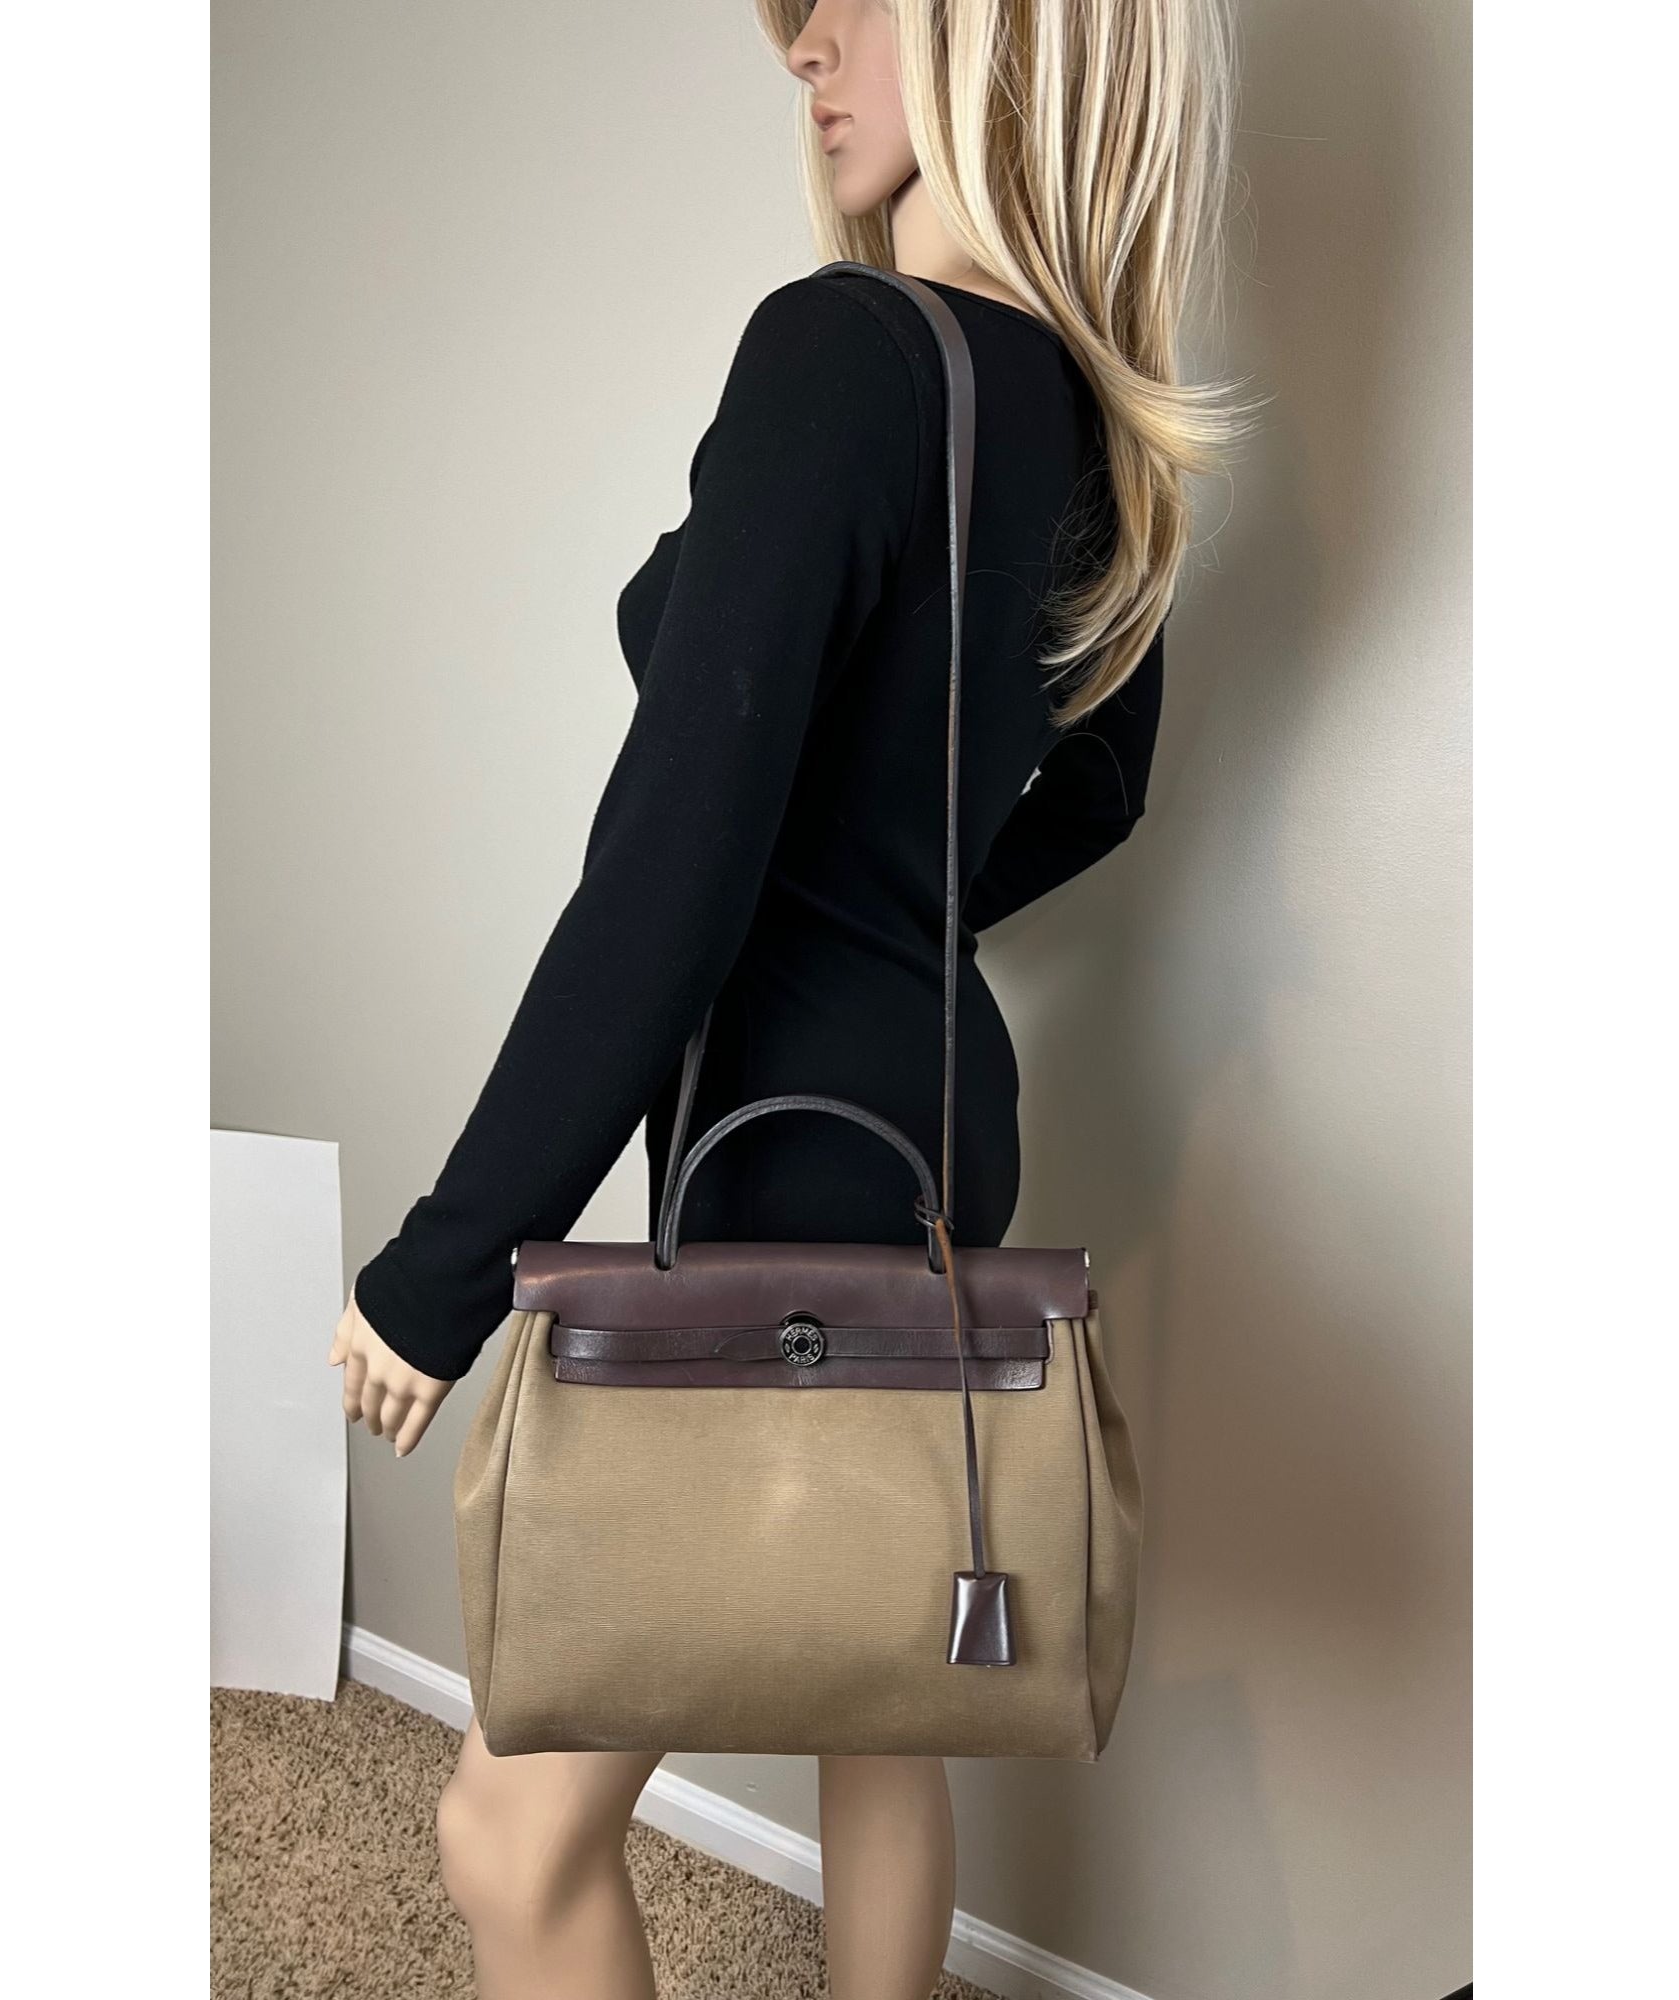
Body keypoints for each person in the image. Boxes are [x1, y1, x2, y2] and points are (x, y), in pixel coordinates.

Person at [327, 1, 1249, 1993]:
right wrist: (899, 919)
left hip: (782, 1139)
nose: (804, 50)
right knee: (880, 1683)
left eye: (852, 3)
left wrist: (442, 1267)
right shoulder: (1099, 421)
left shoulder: (843, 355)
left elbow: (672, 873)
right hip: (939, 1118)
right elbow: (1103, 785)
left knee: (504, 1829)